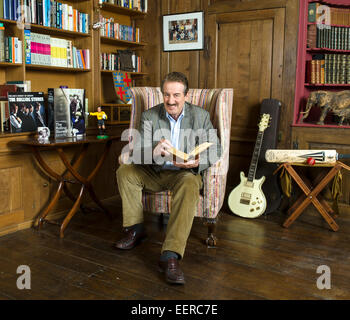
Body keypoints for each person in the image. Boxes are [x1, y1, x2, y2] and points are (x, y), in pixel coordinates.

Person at [115, 72, 221, 285]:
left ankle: (170, 254)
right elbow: (138, 151)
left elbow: (216, 147)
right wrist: (154, 151)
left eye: (176, 95)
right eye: (166, 95)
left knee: (190, 182)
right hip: (156, 170)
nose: (171, 101)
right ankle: (136, 229)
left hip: (184, 174)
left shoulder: (200, 116)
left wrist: (196, 163)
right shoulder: (149, 116)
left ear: (186, 95)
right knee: (125, 172)